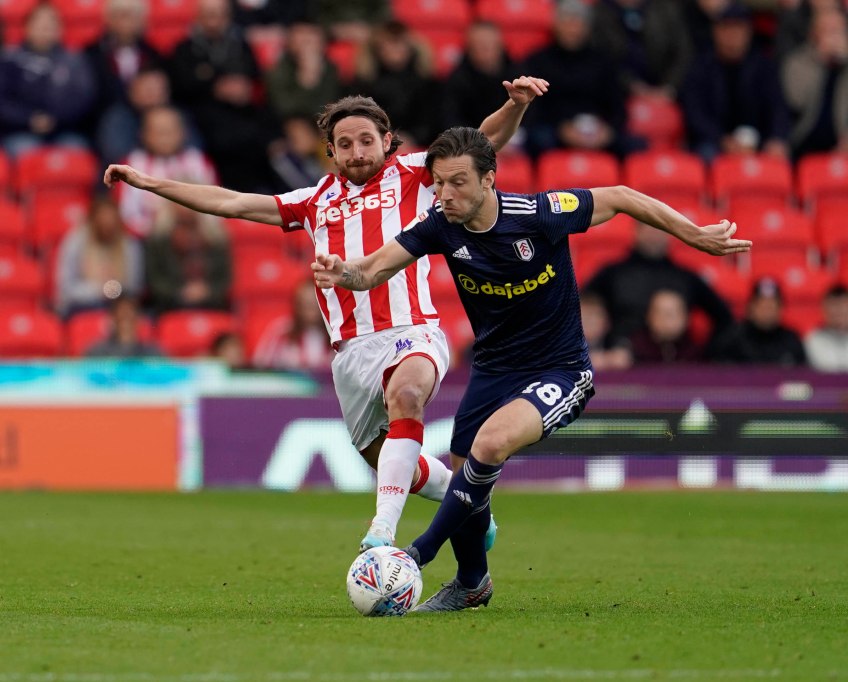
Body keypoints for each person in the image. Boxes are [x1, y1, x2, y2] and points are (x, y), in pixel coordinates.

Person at [311, 126, 751, 611]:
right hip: (493, 369)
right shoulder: (439, 225)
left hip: (559, 368)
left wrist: (694, 234)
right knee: (464, 467)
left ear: (489, 179)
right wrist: (342, 272)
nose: (445, 194)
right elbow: (373, 269)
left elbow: (622, 196)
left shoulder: (540, 213)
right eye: (438, 183)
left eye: (458, 182)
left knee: (489, 445)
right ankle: (472, 584)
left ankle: (416, 555)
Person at [103, 79, 549, 553]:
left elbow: (482, 142)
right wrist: (149, 183)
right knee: (384, 456)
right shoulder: (314, 200)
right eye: (345, 144)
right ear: (331, 151)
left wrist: (514, 105)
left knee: (407, 394)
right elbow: (232, 202)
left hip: (411, 329)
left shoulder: (416, 174)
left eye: (366, 140)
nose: (357, 152)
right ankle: (471, 507)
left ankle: (382, 531)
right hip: (351, 352)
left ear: (386, 140)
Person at [584, 222, 734, 346]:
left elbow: (724, 317)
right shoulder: (612, 274)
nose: (654, 234)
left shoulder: (685, 277)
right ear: (636, 231)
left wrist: (707, 354)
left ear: (670, 234)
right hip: (623, 360)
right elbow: (582, 308)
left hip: (676, 362)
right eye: (649, 227)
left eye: (660, 228)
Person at [54, 195, 145, 319]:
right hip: (83, 305)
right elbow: (66, 289)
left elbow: (134, 286)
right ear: (93, 221)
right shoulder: (76, 242)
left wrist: (114, 289)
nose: (107, 229)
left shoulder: (128, 245)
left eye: (111, 226)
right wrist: (99, 290)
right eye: (103, 224)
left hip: (119, 304)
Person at [144, 203, 232, 314]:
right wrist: (180, 292)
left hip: (212, 305)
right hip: (171, 307)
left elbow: (224, 278)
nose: (185, 208)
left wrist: (207, 291)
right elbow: (155, 279)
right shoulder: (159, 240)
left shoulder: (215, 239)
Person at [708, 277, 807, 365]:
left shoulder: (791, 340)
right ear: (750, 307)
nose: (767, 311)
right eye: (762, 305)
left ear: (781, 309)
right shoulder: (732, 338)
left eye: (772, 306)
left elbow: (802, 373)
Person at [628, 288, 704, 364]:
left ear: (686, 318)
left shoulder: (697, 352)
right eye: (660, 313)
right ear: (648, 316)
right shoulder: (633, 350)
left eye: (672, 314)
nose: (666, 319)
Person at [85, 294, 161, 358]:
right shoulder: (97, 353)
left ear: (139, 319)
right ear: (112, 319)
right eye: (121, 316)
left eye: (130, 316)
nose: (126, 316)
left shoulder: (153, 354)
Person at [804, 283, 848, 371]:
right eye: (833, 305)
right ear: (824, 309)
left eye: (842, 305)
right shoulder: (812, 340)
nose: (838, 311)